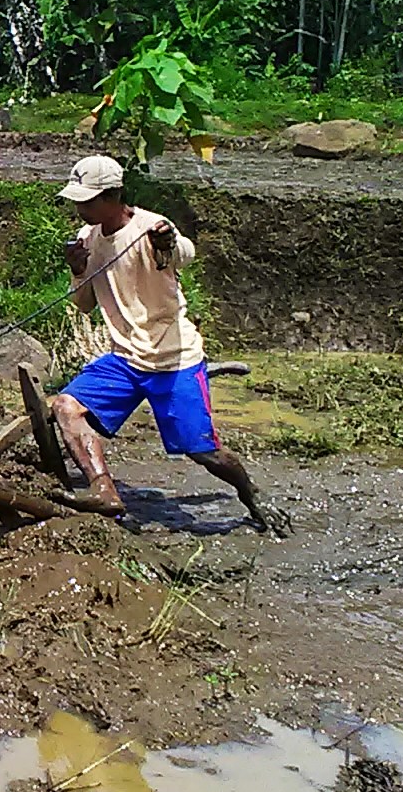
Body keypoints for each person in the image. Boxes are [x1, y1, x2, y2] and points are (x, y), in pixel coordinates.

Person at [52, 155, 288, 536]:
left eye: (88, 201)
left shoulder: (152, 230)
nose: (80, 208)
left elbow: (181, 255)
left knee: (204, 452)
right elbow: (83, 305)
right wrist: (78, 270)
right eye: (78, 200)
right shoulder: (87, 239)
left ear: (113, 195)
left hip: (173, 358)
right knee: (66, 407)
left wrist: (169, 243)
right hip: (125, 358)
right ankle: (104, 491)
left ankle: (250, 494)